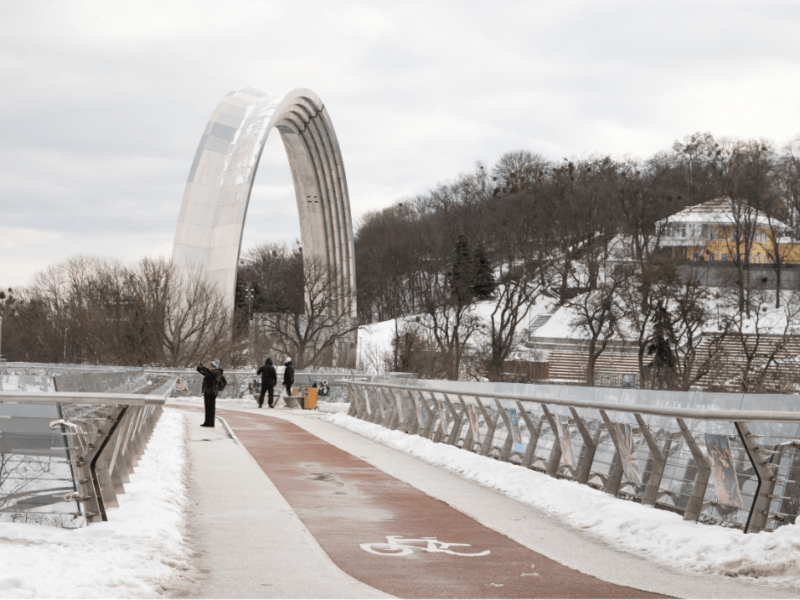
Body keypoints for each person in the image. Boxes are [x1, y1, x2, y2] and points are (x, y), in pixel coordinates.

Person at [197, 359, 224, 427]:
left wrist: (202, 367)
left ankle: (210, 423)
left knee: (210, 408)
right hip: (208, 391)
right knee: (208, 408)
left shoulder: (216, 372)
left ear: (214, 366)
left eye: (211, 365)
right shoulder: (211, 372)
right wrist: (200, 368)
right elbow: (205, 373)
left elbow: (209, 374)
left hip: (211, 392)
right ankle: (207, 422)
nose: (209, 367)